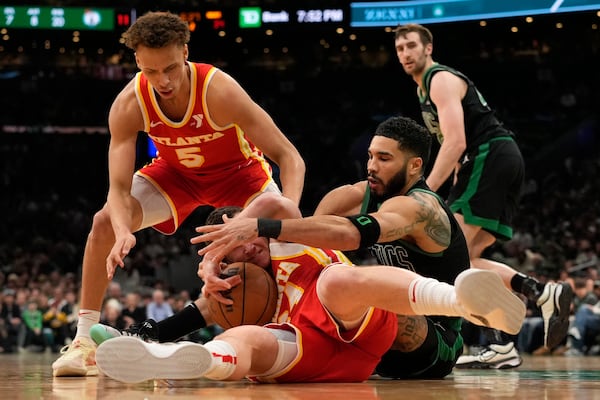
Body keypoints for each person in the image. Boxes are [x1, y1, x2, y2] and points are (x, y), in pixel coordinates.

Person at [51, 10, 305, 377]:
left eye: (170, 68)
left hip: (240, 176)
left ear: (185, 52)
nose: (163, 80)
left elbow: (290, 158)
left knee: (277, 251)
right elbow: (118, 189)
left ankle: (287, 331)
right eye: (151, 71)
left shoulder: (219, 90)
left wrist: (285, 220)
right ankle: (83, 342)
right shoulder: (129, 103)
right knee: (104, 222)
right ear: (137, 62)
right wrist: (123, 231)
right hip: (176, 176)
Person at [193, 116, 526, 379]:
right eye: (369, 156)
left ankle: (465, 304)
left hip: (432, 344)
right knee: (317, 281)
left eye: (384, 159)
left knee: (369, 294)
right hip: (365, 349)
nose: (371, 166)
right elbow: (309, 242)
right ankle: (170, 342)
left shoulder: (419, 208)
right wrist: (218, 257)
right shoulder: (353, 196)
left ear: (414, 166)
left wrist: (264, 227)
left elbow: (350, 236)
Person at [95, 199, 524, 384]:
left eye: (242, 235)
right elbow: (197, 314)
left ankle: (463, 302)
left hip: (354, 322)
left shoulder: (284, 236)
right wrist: (147, 336)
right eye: (231, 246)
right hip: (312, 351)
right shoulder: (232, 280)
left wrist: (244, 226)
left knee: (338, 280)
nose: (246, 246)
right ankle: (195, 361)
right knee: (244, 341)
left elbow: (279, 207)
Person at [392, 23, 573, 368]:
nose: (405, 54)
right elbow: (455, 148)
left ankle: (517, 319)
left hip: (488, 156)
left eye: (411, 46)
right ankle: (528, 306)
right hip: (492, 160)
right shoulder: (423, 91)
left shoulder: (440, 80)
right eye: (400, 49)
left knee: (449, 254)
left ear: (428, 48)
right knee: (467, 260)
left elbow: (458, 141)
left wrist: (423, 192)